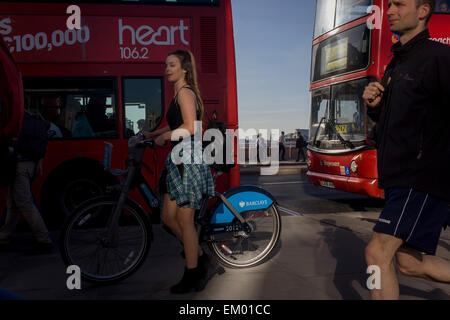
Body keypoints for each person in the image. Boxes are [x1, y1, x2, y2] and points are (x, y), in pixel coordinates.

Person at [362, 0, 450, 300]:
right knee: (409, 263)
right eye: (390, 5)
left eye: (399, 4)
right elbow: (393, 121)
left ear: (423, 11)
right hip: (399, 175)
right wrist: (375, 106)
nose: (390, 11)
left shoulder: (440, 58)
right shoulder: (396, 63)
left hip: (421, 174)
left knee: (376, 253)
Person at [143, 50, 214, 294]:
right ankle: (202, 257)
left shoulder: (185, 92)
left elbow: (190, 127)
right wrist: (153, 134)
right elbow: (176, 124)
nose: (167, 68)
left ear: (184, 68)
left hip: (188, 161)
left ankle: (193, 274)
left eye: (172, 65)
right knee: (168, 218)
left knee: (185, 221)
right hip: (177, 160)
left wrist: (165, 136)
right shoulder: (177, 93)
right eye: (166, 65)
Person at [0, 110, 54, 254]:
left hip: (19, 166)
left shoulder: (14, 119)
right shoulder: (34, 118)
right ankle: (4, 237)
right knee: (13, 203)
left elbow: (10, 145)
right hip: (30, 164)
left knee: (24, 202)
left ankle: (44, 240)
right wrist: (39, 163)